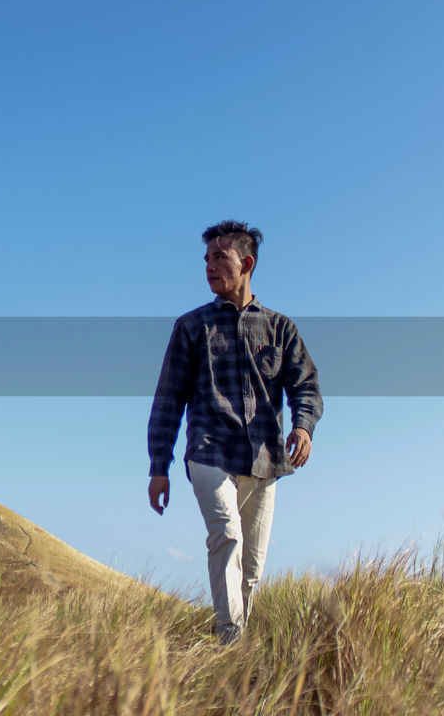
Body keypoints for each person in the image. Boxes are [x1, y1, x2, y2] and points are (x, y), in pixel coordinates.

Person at [147, 219, 323, 645]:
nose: (209, 266)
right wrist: (160, 466)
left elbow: (306, 385)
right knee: (225, 534)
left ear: (245, 264)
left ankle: (236, 637)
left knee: (253, 565)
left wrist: (303, 426)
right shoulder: (191, 328)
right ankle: (231, 643)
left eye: (219, 258)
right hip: (208, 450)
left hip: (264, 457)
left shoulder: (280, 328)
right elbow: (169, 398)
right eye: (206, 259)